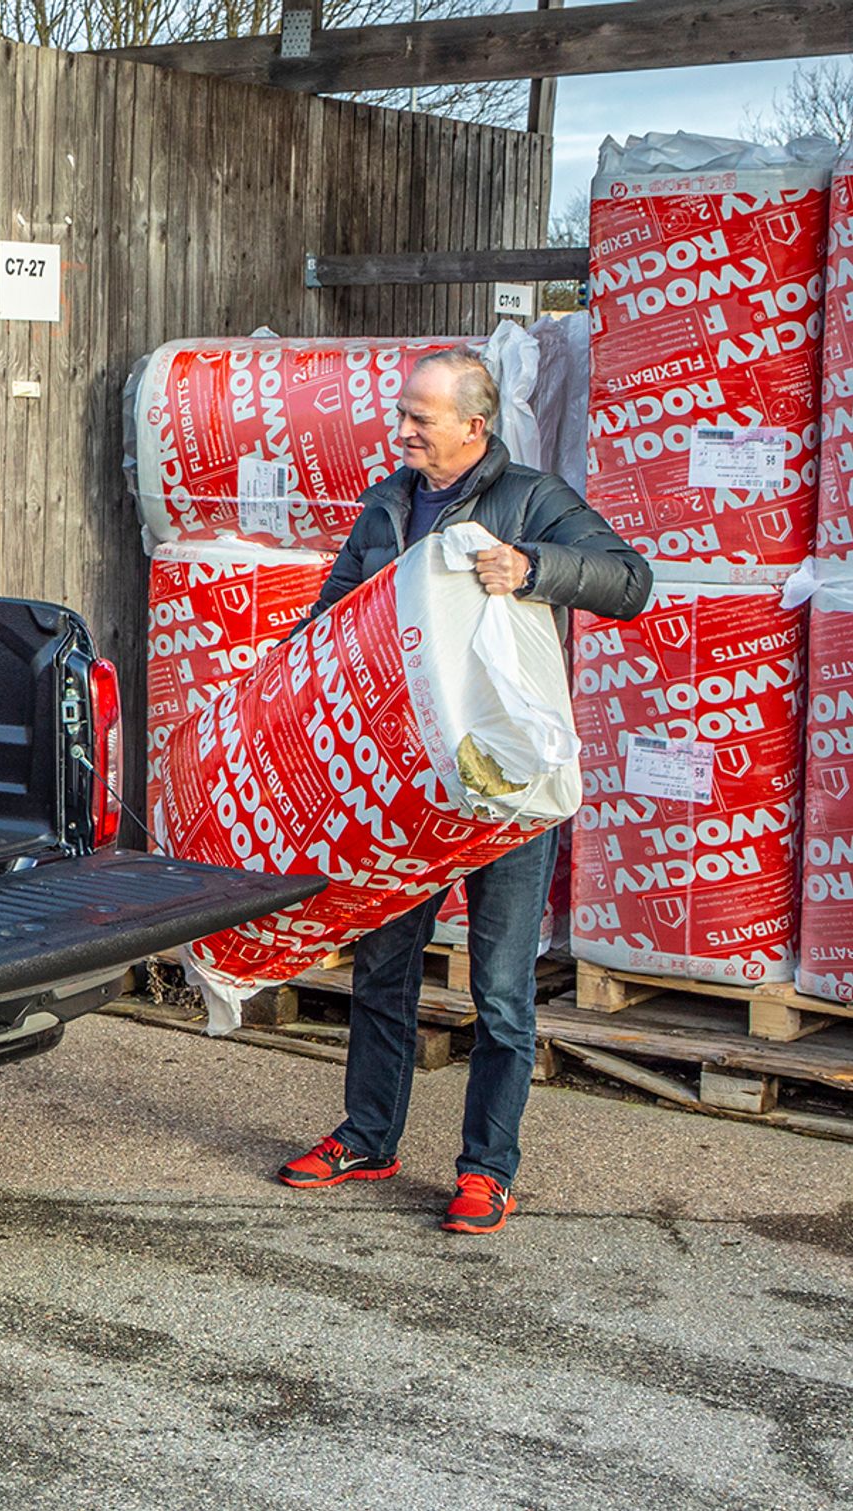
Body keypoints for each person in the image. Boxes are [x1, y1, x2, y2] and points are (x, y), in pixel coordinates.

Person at [275, 348, 651, 1235]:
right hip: (407, 787)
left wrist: (534, 568)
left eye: (420, 418)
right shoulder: (386, 504)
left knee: (503, 990)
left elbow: (630, 579)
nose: (401, 430)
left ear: (474, 426)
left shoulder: (530, 499)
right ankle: (368, 1136)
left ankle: (487, 1169)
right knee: (383, 968)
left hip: (504, 788)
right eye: (402, 414)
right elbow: (328, 618)